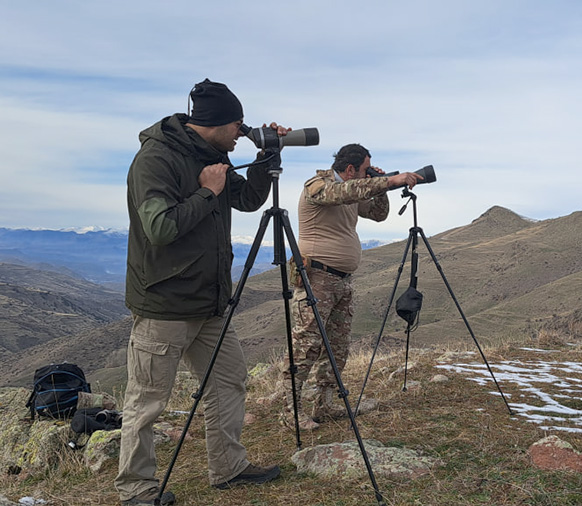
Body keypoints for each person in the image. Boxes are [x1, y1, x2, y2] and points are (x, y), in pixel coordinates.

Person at [116, 79, 289, 505]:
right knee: (148, 401)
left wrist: (267, 157)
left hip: (210, 302)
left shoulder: (213, 156)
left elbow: (247, 200)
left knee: (229, 382)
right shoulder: (155, 158)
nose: (240, 131)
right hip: (164, 304)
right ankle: (136, 489)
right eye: (237, 124)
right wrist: (207, 190)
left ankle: (228, 468)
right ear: (214, 122)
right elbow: (159, 228)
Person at [278, 143, 423, 430]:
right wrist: (389, 180)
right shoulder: (318, 185)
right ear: (349, 169)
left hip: (342, 281)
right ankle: (290, 413)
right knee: (306, 346)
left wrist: (379, 187)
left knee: (337, 348)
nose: (367, 174)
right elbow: (344, 193)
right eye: (365, 169)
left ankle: (326, 404)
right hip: (316, 278)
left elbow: (379, 214)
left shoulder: (355, 190)